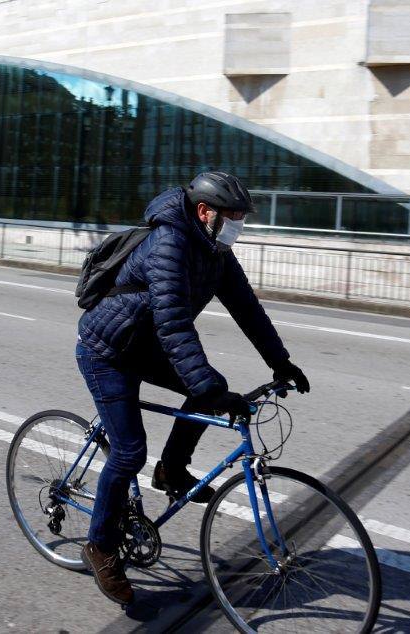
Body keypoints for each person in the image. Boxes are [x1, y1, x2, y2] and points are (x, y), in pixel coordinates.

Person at [74, 171, 309, 605]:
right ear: (205, 212)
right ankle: (100, 547)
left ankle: (172, 469)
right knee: (128, 452)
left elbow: (247, 308)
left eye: (242, 217)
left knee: (209, 387)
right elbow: (173, 324)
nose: (238, 225)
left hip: (144, 346)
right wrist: (207, 385)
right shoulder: (170, 245)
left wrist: (281, 362)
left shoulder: (214, 250)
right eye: (233, 216)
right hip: (107, 351)